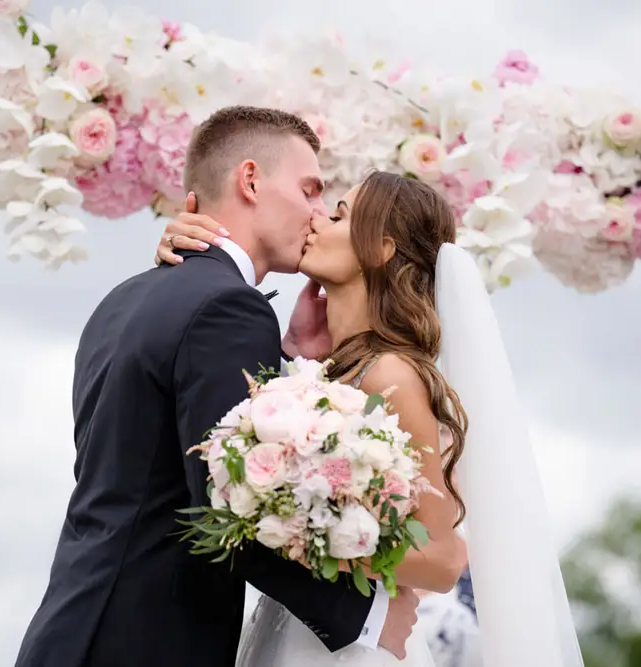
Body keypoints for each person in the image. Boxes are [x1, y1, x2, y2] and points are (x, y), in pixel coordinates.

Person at [13, 107, 420, 667]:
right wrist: (365, 615)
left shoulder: (125, 298)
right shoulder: (229, 308)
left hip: (74, 628)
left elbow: (163, 460)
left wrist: (290, 358)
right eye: (309, 190)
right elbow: (226, 509)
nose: (318, 212)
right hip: (144, 645)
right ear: (250, 180)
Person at [158, 173, 587, 667]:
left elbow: (444, 559)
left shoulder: (392, 374)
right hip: (292, 634)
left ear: (382, 249)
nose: (317, 219)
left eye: (339, 216)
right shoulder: (329, 371)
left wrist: (300, 538)